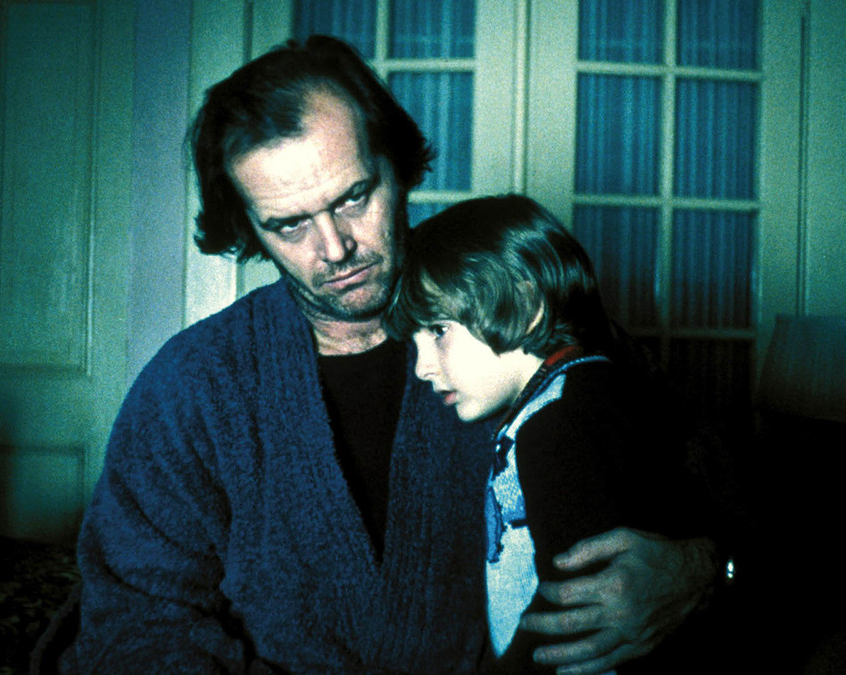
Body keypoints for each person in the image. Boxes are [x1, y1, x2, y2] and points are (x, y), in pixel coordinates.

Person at [58, 35, 727, 674]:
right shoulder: (192, 385)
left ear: (399, 167)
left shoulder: (530, 325)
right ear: (249, 228)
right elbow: (134, 620)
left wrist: (704, 570)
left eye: (354, 197)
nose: (335, 248)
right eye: (290, 224)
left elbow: (734, 502)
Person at [384, 195, 719, 673]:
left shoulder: (556, 426)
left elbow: (573, 605)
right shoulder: (587, 391)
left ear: (525, 305)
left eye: (438, 331)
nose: (422, 368)